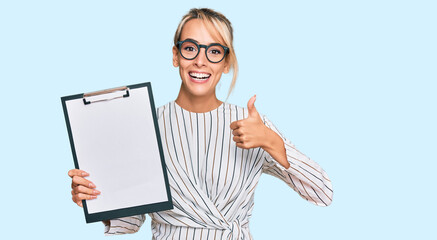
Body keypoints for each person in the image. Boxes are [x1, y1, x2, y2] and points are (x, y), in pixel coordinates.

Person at [68, 8, 333, 239]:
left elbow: (322, 193)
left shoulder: (252, 125)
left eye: (214, 51)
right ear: (176, 56)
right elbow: (131, 220)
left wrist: (271, 141)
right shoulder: (146, 124)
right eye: (190, 48)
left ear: (226, 63)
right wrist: (93, 198)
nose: (200, 60)